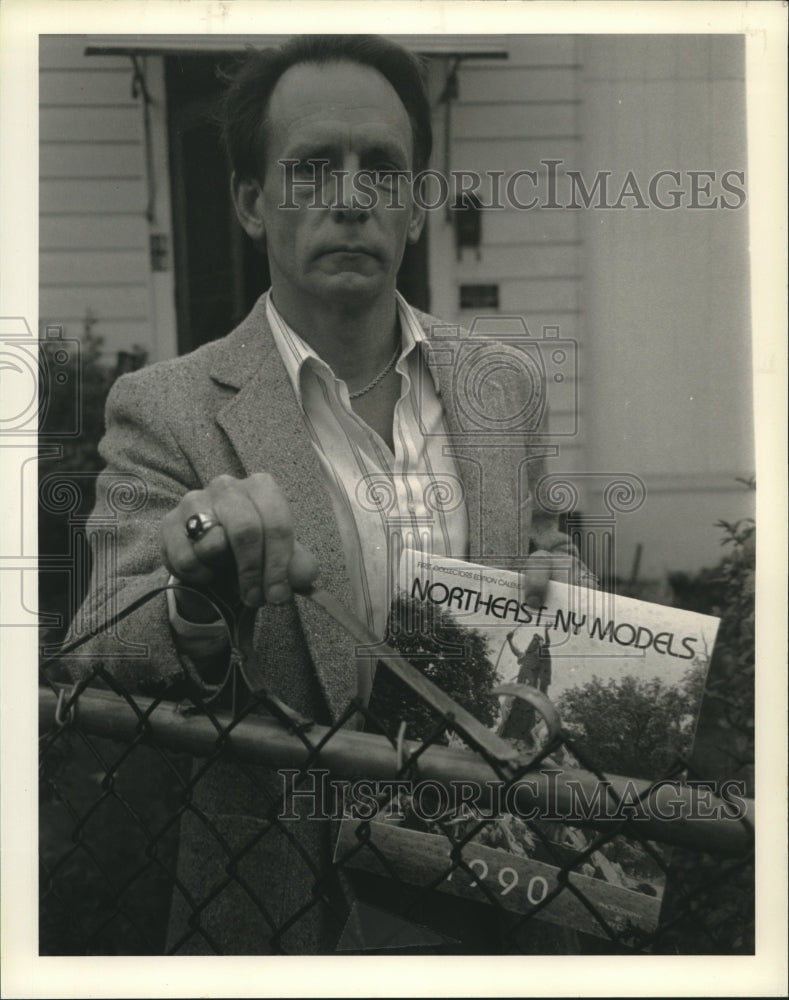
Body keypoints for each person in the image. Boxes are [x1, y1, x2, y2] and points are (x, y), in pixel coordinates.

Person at [64, 34, 591, 955]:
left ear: (419, 205)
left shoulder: (501, 384)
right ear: (249, 203)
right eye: (310, 169)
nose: (350, 198)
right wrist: (194, 579)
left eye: (381, 169)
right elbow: (98, 646)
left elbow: (548, 549)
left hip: (494, 895)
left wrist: (561, 585)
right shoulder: (168, 407)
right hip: (283, 903)